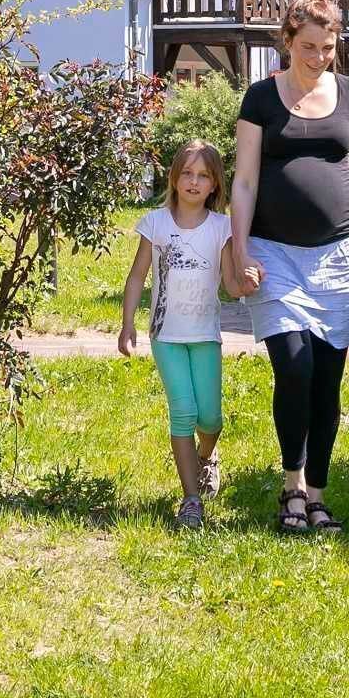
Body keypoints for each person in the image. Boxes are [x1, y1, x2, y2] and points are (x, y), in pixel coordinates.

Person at [228, 0, 349, 535]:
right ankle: (291, 484)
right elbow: (245, 180)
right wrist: (242, 246)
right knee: (293, 366)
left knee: (327, 378)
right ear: (287, 41)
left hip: (341, 254)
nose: (319, 57)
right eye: (308, 47)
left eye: (328, 47)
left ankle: (315, 496)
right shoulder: (260, 98)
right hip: (275, 255)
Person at [118, 140, 235, 529]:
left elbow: (232, 285)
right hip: (165, 334)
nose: (194, 182)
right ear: (174, 177)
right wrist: (127, 323)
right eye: (187, 173)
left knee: (211, 418)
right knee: (183, 412)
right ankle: (190, 500)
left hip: (206, 335)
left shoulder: (222, 227)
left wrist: (249, 279)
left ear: (215, 185)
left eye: (203, 175)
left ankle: (207, 455)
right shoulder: (156, 223)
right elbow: (137, 278)